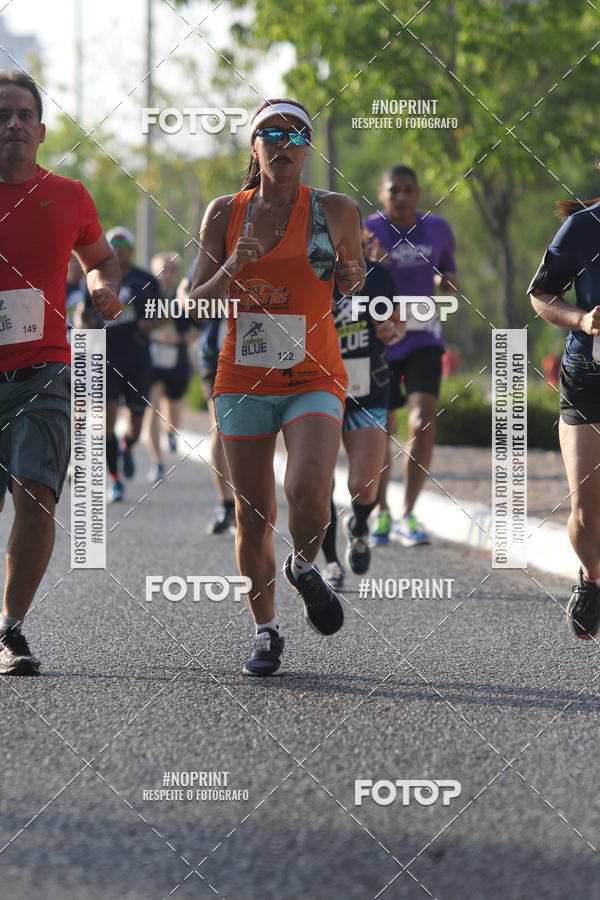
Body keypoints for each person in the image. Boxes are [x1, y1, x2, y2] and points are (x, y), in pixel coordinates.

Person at [188, 98, 365, 676]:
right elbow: (193, 300)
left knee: (310, 487)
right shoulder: (224, 213)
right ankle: (265, 630)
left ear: (307, 149)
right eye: (271, 133)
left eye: (296, 135)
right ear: (254, 145)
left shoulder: (336, 209)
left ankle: (304, 566)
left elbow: (352, 277)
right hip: (243, 375)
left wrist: (350, 276)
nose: (283, 144)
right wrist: (231, 269)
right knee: (253, 514)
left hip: (314, 371)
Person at [0, 70, 121, 674]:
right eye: (2, 115)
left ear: (42, 131)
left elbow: (99, 257)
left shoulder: (69, 195)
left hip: (42, 367)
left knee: (37, 495)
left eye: (24, 114)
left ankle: (11, 629)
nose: (13, 124)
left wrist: (101, 285)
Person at [363, 165, 458, 547]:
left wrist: (447, 282)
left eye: (407, 189)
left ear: (418, 192)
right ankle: (381, 512)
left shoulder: (438, 228)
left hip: (423, 337)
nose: (401, 196)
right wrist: (373, 263)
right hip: (382, 338)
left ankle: (409, 513)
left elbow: (450, 275)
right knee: (381, 428)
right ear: (381, 194)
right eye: (393, 190)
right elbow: (350, 280)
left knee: (421, 422)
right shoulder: (367, 230)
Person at [528, 190, 600, 640]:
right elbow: (541, 294)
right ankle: (593, 577)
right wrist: (583, 320)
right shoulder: (583, 228)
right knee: (588, 513)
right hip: (589, 377)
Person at [321, 232, 405, 590]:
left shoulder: (380, 277)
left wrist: (391, 330)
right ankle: (330, 561)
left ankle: (357, 526)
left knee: (363, 484)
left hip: (368, 388)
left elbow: (399, 325)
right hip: (316, 389)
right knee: (317, 482)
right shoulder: (310, 276)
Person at [84, 227, 160, 502]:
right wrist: (85, 324)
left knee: (136, 426)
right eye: (112, 243)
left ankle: (127, 447)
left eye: (123, 244)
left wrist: (149, 324)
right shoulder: (95, 279)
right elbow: (84, 314)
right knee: (108, 421)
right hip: (105, 359)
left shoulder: (146, 280)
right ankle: (114, 479)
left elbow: (161, 314)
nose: (117, 248)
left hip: (138, 360)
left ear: (132, 248)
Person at [144, 252, 195, 482]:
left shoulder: (184, 298)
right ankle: (156, 462)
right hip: (151, 363)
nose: (167, 274)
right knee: (151, 409)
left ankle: (171, 432)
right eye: (162, 269)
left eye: (171, 270)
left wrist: (178, 339)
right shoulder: (144, 296)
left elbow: (197, 330)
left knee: (173, 415)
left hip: (177, 362)